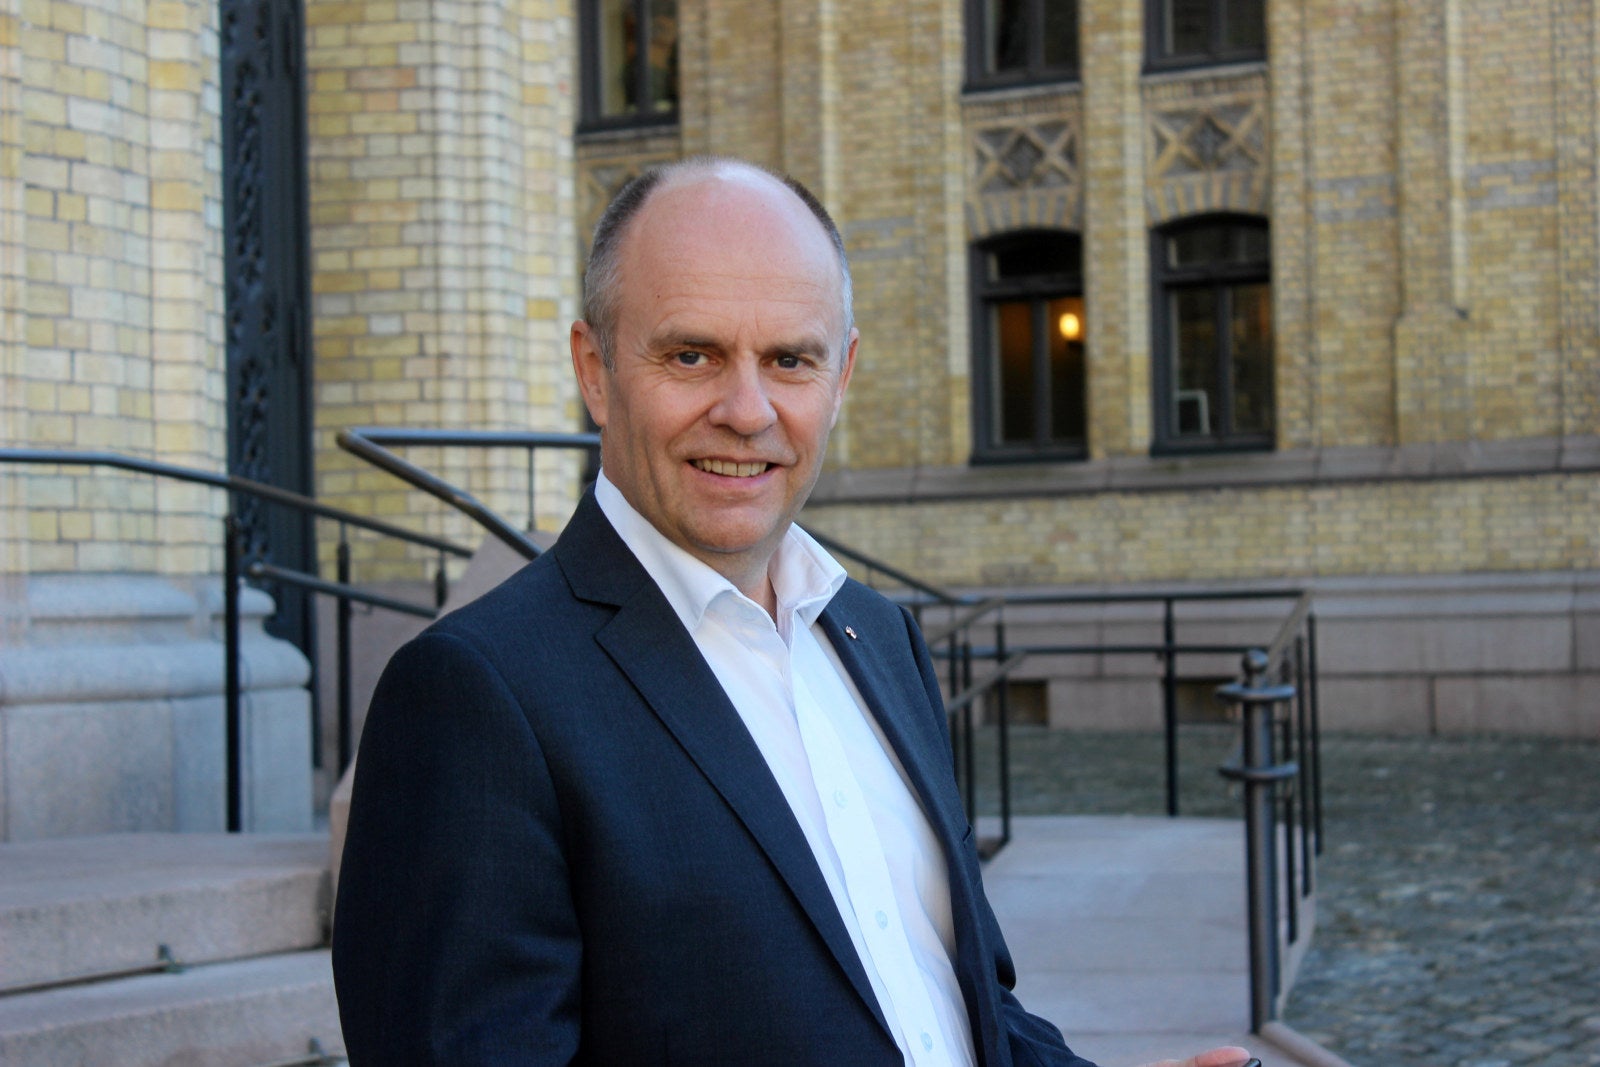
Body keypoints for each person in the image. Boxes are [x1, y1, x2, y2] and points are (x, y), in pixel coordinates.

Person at [332, 156, 1254, 1067]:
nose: (747, 410)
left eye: (789, 360)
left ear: (840, 376)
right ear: (595, 369)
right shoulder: (475, 696)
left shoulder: (879, 638)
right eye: (691, 355)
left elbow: (956, 1010)